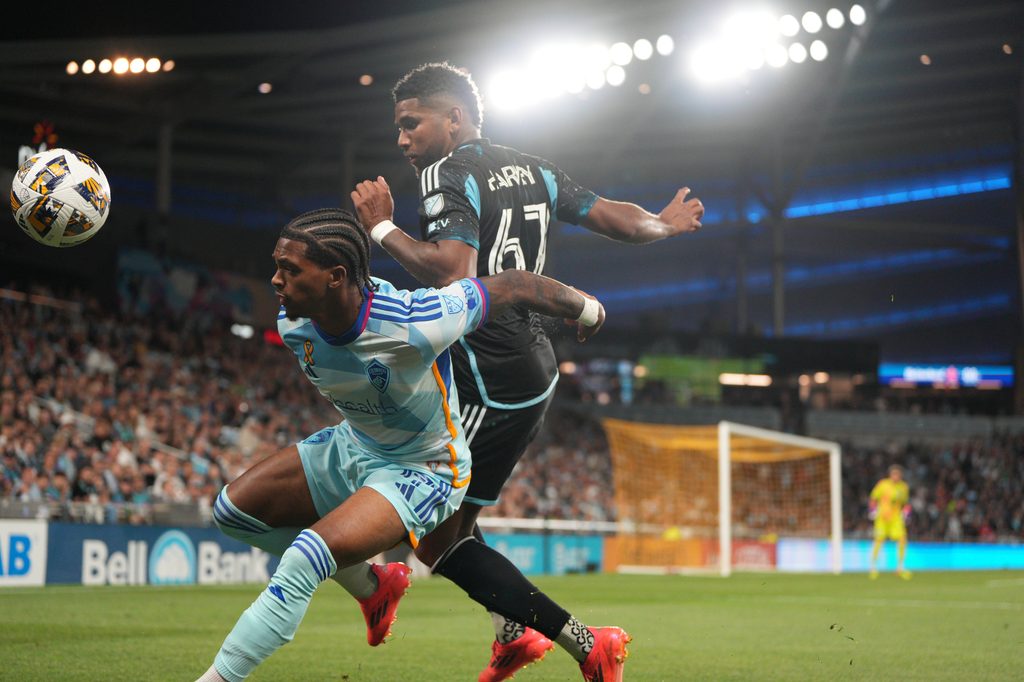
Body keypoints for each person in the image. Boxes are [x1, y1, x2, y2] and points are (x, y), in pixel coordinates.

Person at [350, 61, 705, 682]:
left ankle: (586, 643)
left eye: (413, 124)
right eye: (399, 129)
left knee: (433, 539)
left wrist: (381, 225)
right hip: (529, 366)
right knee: (456, 519)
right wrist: (662, 224)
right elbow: (608, 213)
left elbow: (451, 270)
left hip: (491, 369)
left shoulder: (448, 171)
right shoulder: (532, 166)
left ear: (454, 118)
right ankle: (511, 631)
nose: (402, 140)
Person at [194, 207, 607, 682]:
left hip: (423, 468)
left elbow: (512, 285)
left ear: (335, 276)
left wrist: (586, 307)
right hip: (354, 447)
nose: (275, 280)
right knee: (231, 511)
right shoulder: (293, 323)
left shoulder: (415, 321)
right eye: (277, 265)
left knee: (305, 559)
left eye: (290, 269)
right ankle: (373, 588)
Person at [869, 464, 912, 579]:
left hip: (896, 518)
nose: (895, 477)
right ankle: (873, 567)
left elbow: (906, 503)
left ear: (900, 476)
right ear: (890, 475)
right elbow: (873, 498)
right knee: (879, 540)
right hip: (882, 517)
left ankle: (900, 567)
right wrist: (873, 511)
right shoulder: (883, 484)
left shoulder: (903, 487)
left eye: (898, 475)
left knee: (902, 539)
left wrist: (906, 514)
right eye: (894, 474)